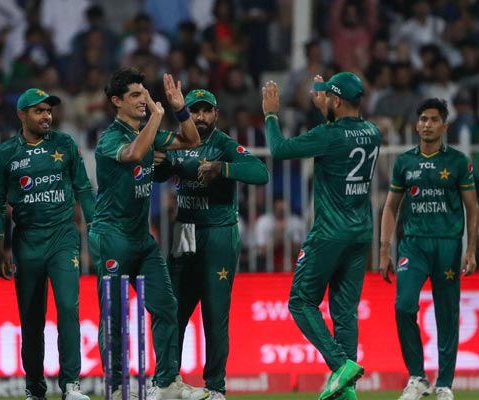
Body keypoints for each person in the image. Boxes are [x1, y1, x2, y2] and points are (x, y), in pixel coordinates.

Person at [262, 72, 382, 400]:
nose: (323, 99)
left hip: (330, 232)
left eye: (328, 96)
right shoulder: (372, 132)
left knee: (300, 301)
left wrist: (271, 114)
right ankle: (347, 393)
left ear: (338, 100)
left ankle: (339, 365)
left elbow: (279, 149)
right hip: (360, 233)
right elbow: (342, 136)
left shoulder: (329, 135)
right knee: (344, 312)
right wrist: (324, 108)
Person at [89, 68, 205, 400]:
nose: (144, 100)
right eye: (135, 95)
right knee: (113, 317)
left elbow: (192, 140)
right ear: (117, 102)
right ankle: (114, 386)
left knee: (166, 306)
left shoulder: (148, 131)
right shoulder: (110, 138)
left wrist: (179, 108)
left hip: (141, 239)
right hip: (111, 237)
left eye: (144, 93)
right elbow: (134, 154)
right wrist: (156, 116)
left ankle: (167, 383)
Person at [153, 89, 269, 399]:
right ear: (185, 113)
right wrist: (159, 164)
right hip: (185, 231)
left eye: (206, 111)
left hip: (219, 231)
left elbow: (261, 173)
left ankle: (215, 387)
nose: (200, 117)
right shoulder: (177, 142)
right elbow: (158, 175)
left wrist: (223, 169)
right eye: (194, 111)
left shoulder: (225, 145)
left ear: (216, 114)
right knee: (172, 309)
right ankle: (166, 382)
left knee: (215, 314)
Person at [0, 88, 95, 400]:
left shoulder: (64, 144)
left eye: (49, 110)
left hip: (62, 237)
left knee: (67, 308)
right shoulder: (6, 153)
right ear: (22, 115)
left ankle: (71, 386)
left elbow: (83, 189)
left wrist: (97, 229)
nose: (47, 116)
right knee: (31, 320)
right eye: (39, 111)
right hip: (27, 242)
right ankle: (35, 388)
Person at [379, 98, 477, 400]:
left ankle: (444, 384)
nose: (427, 124)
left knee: (447, 314)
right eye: (423, 119)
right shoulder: (405, 162)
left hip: (447, 244)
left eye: (434, 119)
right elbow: (391, 207)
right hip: (414, 244)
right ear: (416, 124)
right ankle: (418, 378)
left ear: (444, 126)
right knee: (403, 305)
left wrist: (471, 249)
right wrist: (384, 249)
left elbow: (472, 208)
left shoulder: (458, 162)